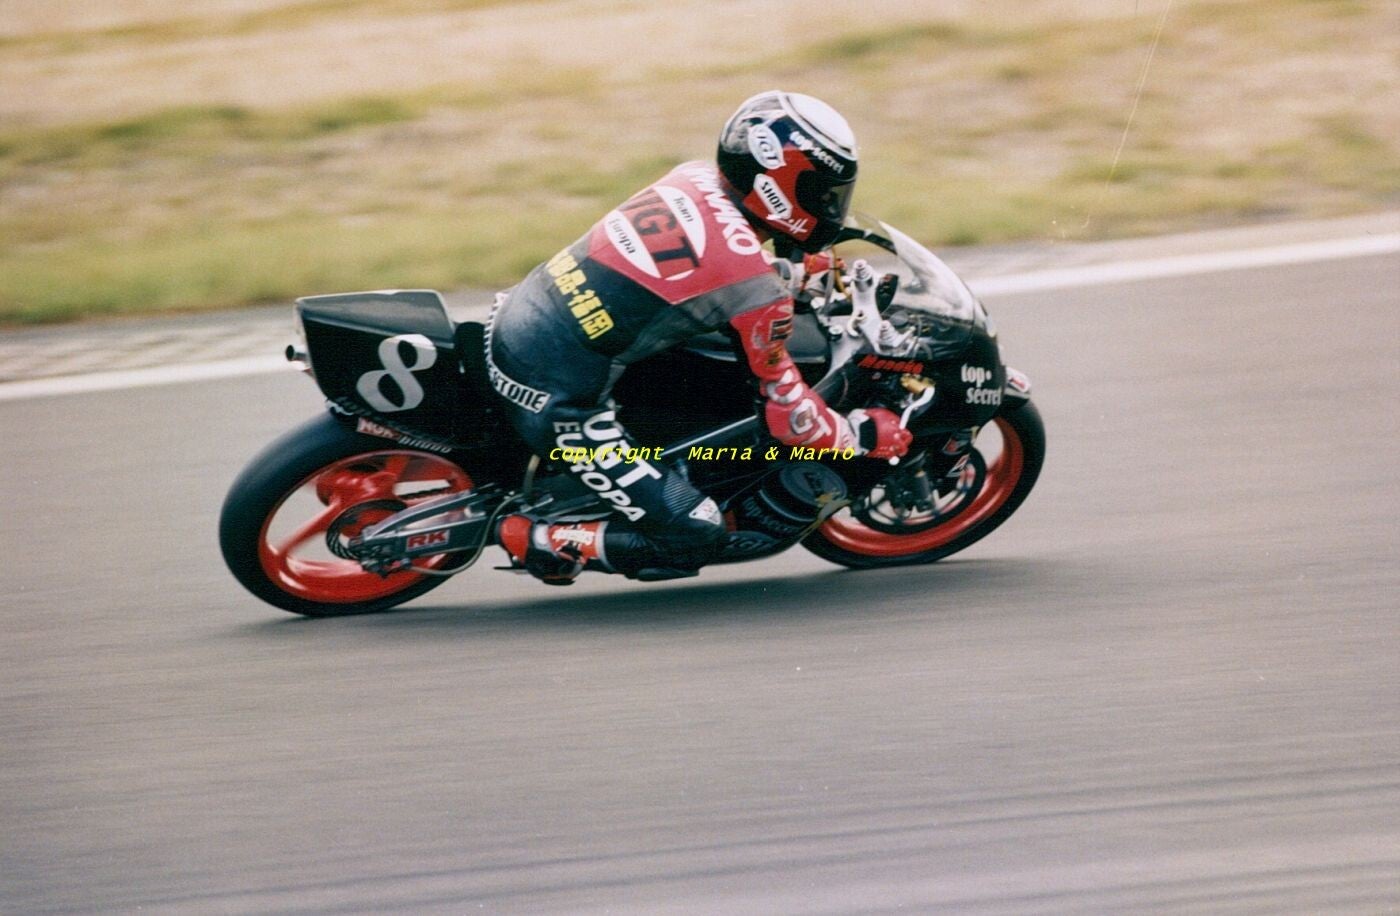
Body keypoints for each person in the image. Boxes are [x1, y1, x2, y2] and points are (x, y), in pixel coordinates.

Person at [488, 90, 911, 584]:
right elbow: (790, 420)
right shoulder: (756, 290)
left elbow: (698, 265)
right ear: (780, 187)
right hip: (557, 398)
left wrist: (792, 275)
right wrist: (860, 435)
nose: (831, 206)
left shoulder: (692, 177)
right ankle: (533, 537)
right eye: (823, 193)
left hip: (522, 316)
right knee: (697, 531)